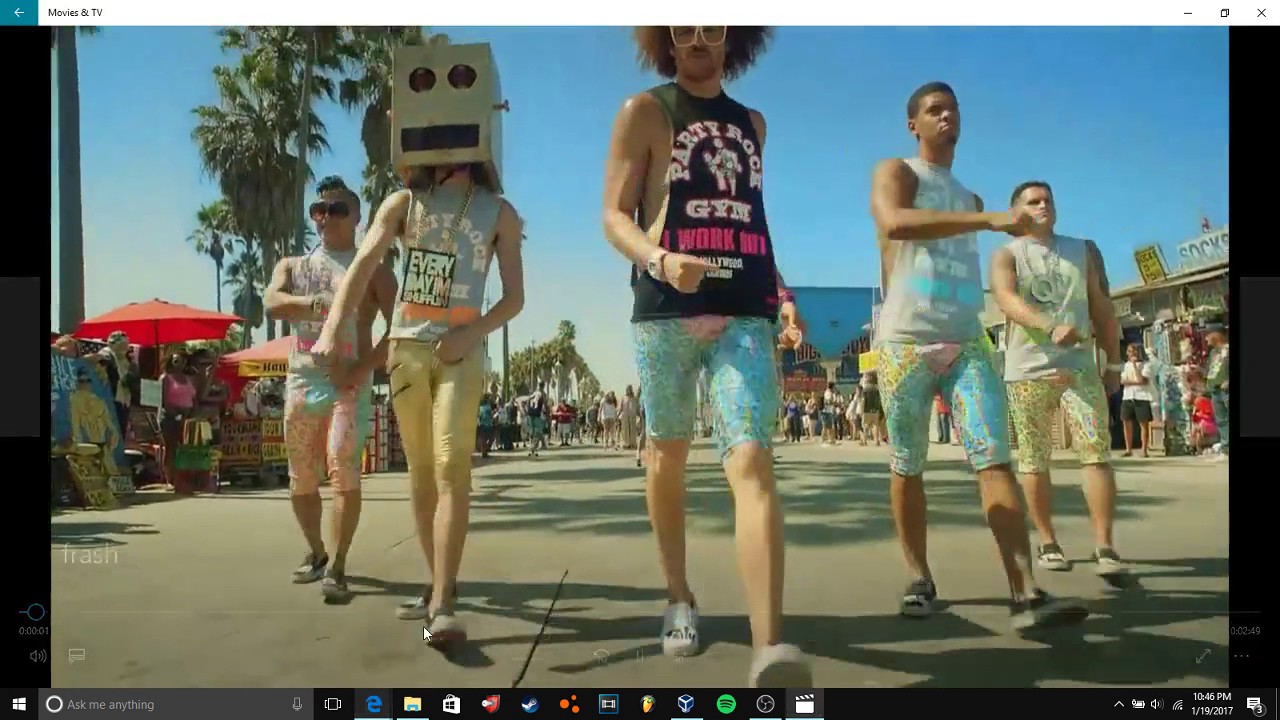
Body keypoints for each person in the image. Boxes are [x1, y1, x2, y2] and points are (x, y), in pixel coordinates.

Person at [602, 25, 809, 686]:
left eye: (711, 24)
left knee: (751, 458)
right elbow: (614, 215)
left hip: (744, 310)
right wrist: (660, 259)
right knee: (667, 454)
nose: (696, 36)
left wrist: (782, 294)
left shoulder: (752, 124)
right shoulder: (645, 110)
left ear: (733, 36)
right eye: (682, 24)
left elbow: (751, 217)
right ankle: (678, 598)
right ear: (664, 36)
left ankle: (769, 645)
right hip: (665, 311)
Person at [311, 38, 525, 648]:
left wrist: (471, 333)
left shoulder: (499, 213)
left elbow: (514, 298)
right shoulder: (403, 203)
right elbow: (363, 266)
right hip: (406, 350)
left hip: (461, 352)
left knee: (454, 465)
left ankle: (443, 600)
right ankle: (437, 584)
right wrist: (332, 327)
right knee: (422, 474)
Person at [869, 81, 1082, 628]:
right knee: (907, 464)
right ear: (913, 125)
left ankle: (1025, 591)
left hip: (966, 340)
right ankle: (919, 576)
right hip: (904, 342)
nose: (947, 117)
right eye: (934, 110)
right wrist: (987, 222)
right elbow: (893, 223)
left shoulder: (969, 198)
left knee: (993, 459)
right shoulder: (898, 171)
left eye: (953, 110)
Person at [264, 175, 398, 602]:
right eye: (319, 210)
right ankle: (317, 552)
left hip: (350, 385)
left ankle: (338, 566)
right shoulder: (293, 267)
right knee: (301, 476)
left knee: (343, 469)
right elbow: (271, 301)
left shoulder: (375, 271)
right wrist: (316, 305)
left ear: (357, 217)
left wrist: (360, 369)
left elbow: (398, 330)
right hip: (302, 379)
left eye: (337, 209)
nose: (326, 217)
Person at [990, 180, 1127, 577]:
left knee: (1096, 453)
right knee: (1034, 459)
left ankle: (1105, 546)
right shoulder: (1007, 254)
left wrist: (1113, 365)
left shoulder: (1082, 250)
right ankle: (1048, 542)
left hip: (1079, 367)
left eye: (1047, 200)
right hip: (1028, 370)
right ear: (1017, 211)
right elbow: (1005, 299)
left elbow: (1101, 306)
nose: (1043, 206)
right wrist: (1048, 325)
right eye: (1033, 201)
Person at [159, 353, 197, 488]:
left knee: (184, 448)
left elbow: (194, 399)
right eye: (176, 361)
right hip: (169, 418)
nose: (179, 364)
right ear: (171, 362)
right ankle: (169, 479)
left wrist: (191, 413)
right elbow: (163, 400)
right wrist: (177, 413)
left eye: (181, 361)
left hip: (187, 419)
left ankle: (182, 478)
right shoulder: (165, 378)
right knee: (170, 448)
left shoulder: (188, 379)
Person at [1120, 343, 1156, 457]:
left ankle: (1144, 449)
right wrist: (1134, 382)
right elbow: (1123, 381)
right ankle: (1128, 449)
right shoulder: (1126, 365)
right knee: (1126, 422)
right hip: (1128, 396)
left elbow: (1142, 380)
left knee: (1143, 424)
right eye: (1129, 351)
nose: (1131, 354)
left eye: (1134, 351)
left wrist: (1135, 366)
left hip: (1142, 397)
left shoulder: (1146, 365)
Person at [1203, 322, 1229, 460]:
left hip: (1226, 389)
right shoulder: (1213, 353)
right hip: (1215, 390)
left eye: (1208, 335)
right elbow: (1212, 370)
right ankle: (1226, 450)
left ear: (1216, 335)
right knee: (1222, 420)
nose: (1206, 338)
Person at [859, 373, 883, 446]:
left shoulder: (865, 390)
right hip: (875, 410)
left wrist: (861, 410)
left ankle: (864, 440)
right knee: (875, 425)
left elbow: (863, 400)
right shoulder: (877, 390)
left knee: (865, 425)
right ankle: (876, 440)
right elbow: (880, 400)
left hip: (866, 409)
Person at [527, 382, 548, 456]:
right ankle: (533, 447)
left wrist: (528, 409)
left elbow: (528, 399)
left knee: (532, 431)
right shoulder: (542, 394)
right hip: (537, 414)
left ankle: (533, 448)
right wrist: (547, 414)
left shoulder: (534, 393)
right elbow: (545, 404)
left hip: (531, 413)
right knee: (538, 432)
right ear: (543, 386)